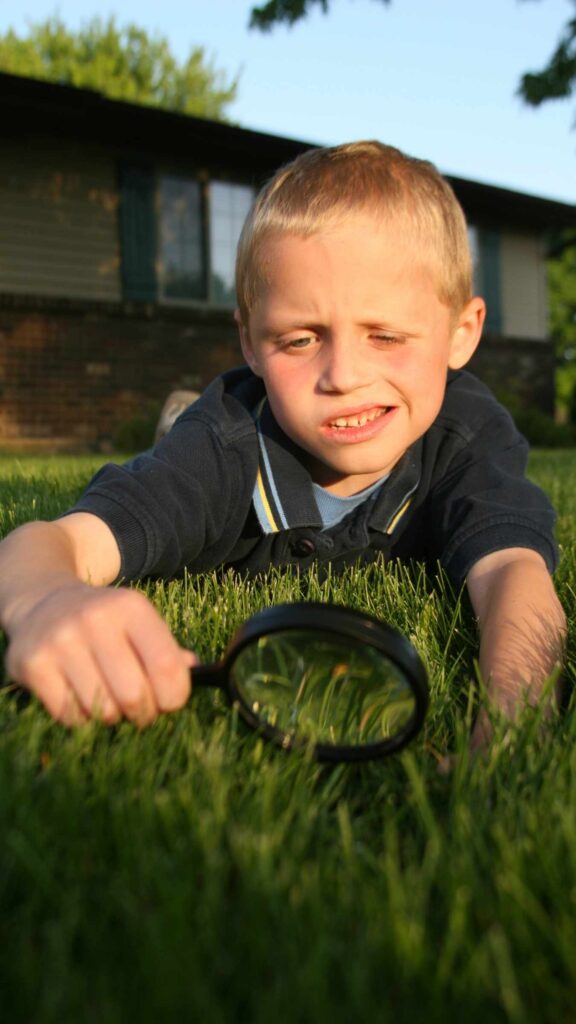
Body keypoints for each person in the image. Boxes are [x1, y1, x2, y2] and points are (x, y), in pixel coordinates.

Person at [0, 141, 566, 752]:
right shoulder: (222, 448)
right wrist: (47, 599)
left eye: (385, 336)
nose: (344, 376)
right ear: (250, 342)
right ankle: (179, 416)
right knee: (185, 436)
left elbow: (511, 570)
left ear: (461, 333)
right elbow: (55, 543)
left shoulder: (469, 433)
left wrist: (512, 730)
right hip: (209, 430)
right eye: (299, 341)